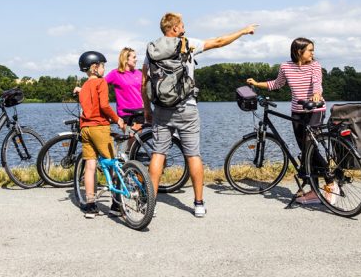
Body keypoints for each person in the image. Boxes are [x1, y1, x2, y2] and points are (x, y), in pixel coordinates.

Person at [142, 12, 257, 218]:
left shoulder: (152, 48)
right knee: (193, 154)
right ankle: (198, 203)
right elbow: (219, 42)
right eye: (182, 25)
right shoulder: (187, 44)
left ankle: (151, 202)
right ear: (175, 29)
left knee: (158, 153)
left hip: (161, 109)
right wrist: (242, 31)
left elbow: (145, 81)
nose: (184, 28)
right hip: (187, 107)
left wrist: (147, 109)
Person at [246, 37, 337, 205]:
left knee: (311, 146)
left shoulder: (315, 66)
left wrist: (316, 94)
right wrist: (257, 84)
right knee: (305, 149)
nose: (313, 53)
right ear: (298, 52)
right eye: (310, 50)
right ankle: (314, 190)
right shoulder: (286, 67)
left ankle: (330, 182)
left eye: (313, 50)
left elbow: (317, 83)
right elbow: (277, 84)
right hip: (297, 111)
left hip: (315, 109)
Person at [75, 51, 126, 218]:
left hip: (85, 129)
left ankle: (90, 206)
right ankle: (116, 205)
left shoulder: (83, 87)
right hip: (99, 127)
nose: (105, 69)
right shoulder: (101, 83)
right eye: (103, 65)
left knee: (90, 166)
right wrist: (117, 119)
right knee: (112, 164)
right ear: (95, 67)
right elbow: (104, 105)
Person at [104, 47, 144, 149]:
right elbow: (99, 84)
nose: (136, 59)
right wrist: (83, 89)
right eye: (134, 57)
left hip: (140, 111)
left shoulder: (139, 73)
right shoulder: (115, 73)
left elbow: (145, 91)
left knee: (137, 141)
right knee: (131, 138)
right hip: (126, 113)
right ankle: (129, 161)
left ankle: (132, 161)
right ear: (126, 59)